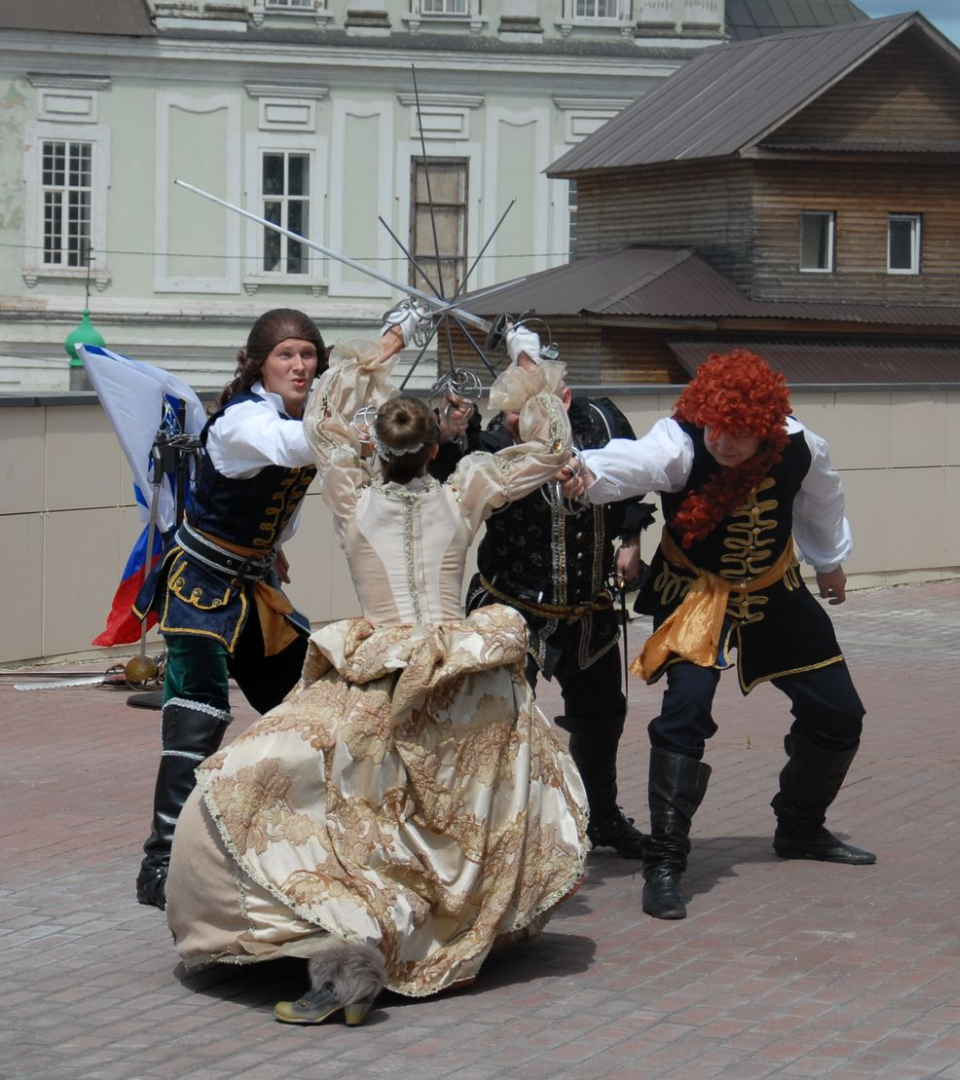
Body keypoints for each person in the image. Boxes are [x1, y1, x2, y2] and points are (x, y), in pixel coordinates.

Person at [163, 321, 588, 1022]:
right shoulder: (465, 489)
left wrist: (386, 345)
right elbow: (549, 449)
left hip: (383, 669)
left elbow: (325, 416)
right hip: (466, 677)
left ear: (376, 446)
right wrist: (524, 362)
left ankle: (350, 936)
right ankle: (427, 929)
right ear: (434, 448)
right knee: (449, 813)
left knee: (289, 789)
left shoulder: (350, 492)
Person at [560, 349, 876, 920]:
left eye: (739, 433)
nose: (722, 442)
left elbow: (823, 499)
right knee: (685, 713)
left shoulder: (801, 444)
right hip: (694, 594)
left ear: (766, 430)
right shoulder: (681, 442)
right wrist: (584, 472)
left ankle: (801, 826)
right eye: (715, 427)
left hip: (774, 591)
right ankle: (664, 861)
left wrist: (830, 562)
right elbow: (636, 462)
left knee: (838, 713)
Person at [133, 308, 404, 910]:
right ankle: (160, 863)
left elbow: (289, 485)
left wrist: (273, 545)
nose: (299, 366)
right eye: (286, 355)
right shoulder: (244, 420)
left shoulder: (299, 415)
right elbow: (293, 448)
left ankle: (309, 839)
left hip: (253, 591)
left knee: (315, 701)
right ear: (260, 363)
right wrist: (369, 371)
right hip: (199, 587)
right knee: (198, 713)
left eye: (308, 355)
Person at [432, 322, 653, 859]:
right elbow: (443, 482)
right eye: (511, 412)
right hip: (511, 608)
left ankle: (601, 817)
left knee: (603, 714)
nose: (519, 421)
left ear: (565, 399)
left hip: (588, 608)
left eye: (531, 408)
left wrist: (630, 540)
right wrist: (448, 436)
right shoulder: (491, 444)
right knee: (499, 724)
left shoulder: (603, 420)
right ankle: (496, 836)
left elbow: (633, 479)